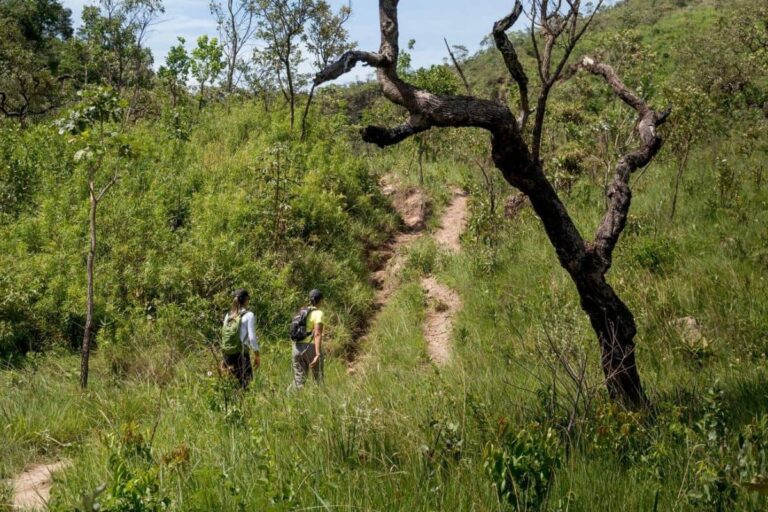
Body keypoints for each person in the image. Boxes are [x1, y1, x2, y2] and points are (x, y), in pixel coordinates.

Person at [221, 288, 260, 388]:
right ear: (246, 300)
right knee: (246, 385)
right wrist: (257, 355)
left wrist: (223, 357)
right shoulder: (249, 315)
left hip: (228, 355)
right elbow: (252, 338)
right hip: (241, 355)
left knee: (230, 385)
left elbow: (224, 336)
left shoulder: (228, 316)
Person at [291, 289, 324, 389]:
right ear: (321, 300)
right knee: (318, 380)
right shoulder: (318, 313)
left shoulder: (301, 311)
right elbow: (317, 334)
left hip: (296, 348)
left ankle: (290, 399)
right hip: (311, 348)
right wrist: (317, 353)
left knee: (299, 380)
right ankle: (318, 401)